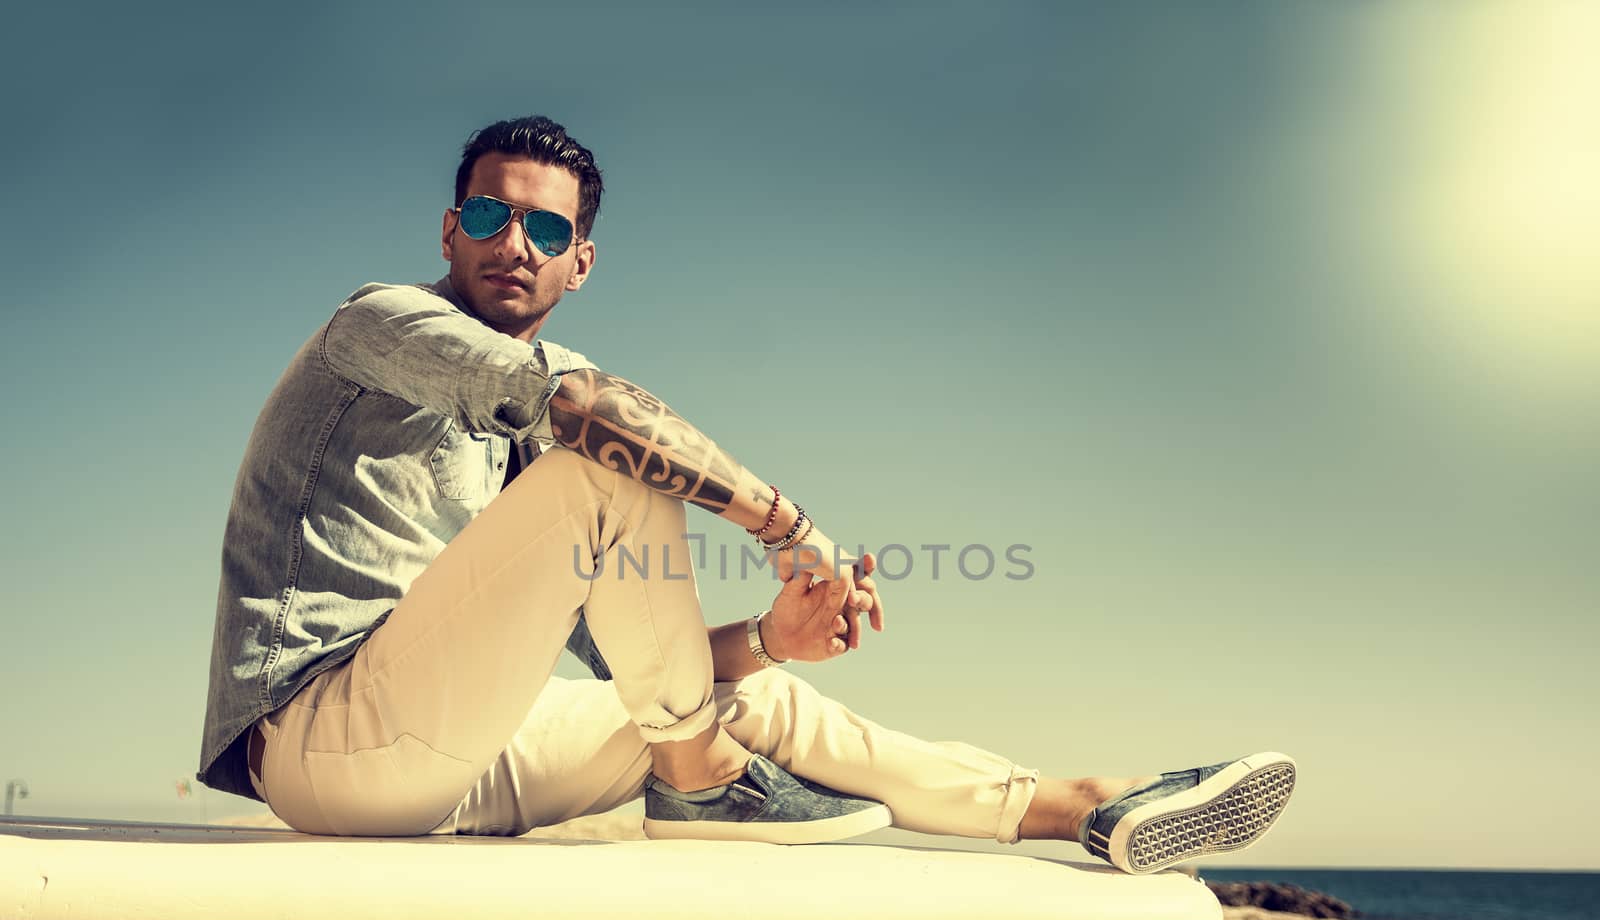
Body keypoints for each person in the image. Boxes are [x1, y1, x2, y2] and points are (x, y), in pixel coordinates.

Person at [196, 115, 1296, 874]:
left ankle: (1088, 804)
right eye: (489, 218)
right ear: (450, 231)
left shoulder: (533, 463)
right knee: (612, 458)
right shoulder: (382, 323)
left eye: (545, 229)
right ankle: (704, 782)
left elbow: (636, 667)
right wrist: (787, 525)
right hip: (324, 743)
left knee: (756, 702)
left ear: (582, 260)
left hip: (463, 758)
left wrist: (768, 634)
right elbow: (590, 412)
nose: (512, 244)